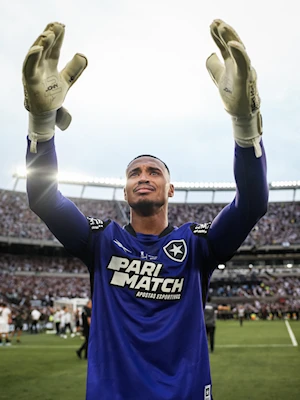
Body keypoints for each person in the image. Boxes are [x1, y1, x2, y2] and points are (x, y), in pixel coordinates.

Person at [23, 20, 268, 400]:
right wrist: (41, 124)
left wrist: (245, 125)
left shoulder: (197, 246)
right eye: (134, 172)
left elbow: (251, 203)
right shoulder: (102, 241)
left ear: (169, 189)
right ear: (124, 190)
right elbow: (43, 197)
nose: (143, 176)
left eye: (154, 171)